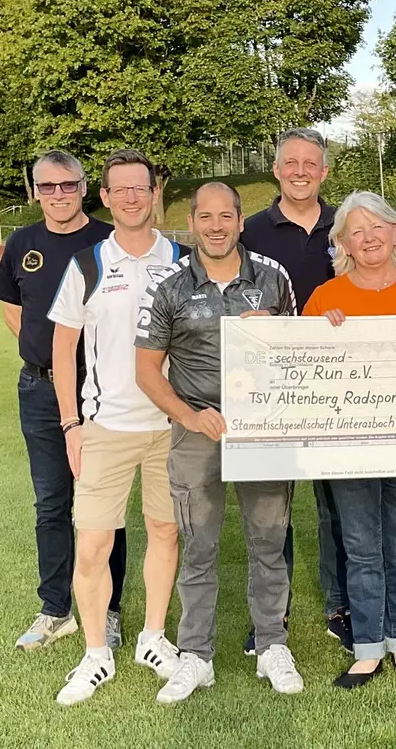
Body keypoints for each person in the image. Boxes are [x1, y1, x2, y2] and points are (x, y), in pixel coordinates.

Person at [134, 182, 304, 703]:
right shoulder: (169, 286)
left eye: (225, 216)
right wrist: (191, 415)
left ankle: (272, 644)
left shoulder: (271, 277)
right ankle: (195, 656)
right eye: (204, 217)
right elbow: (146, 371)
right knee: (199, 548)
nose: (215, 226)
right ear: (192, 221)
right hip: (195, 434)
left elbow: (303, 353)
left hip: (262, 431)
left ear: (239, 220)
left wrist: (278, 326)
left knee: (269, 543)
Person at [47, 150, 183, 705]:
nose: (131, 197)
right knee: (93, 544)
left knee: (165, 532)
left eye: (141, 188)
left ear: (155, 194)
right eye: (120, 189)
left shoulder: (182, 259)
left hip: (171, 427)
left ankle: (153, 636)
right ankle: (96, 653)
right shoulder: (87, 263)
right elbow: (63, 348)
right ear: (105, 197)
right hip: (105, 426)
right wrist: (70, 424)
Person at [301, 192, 396, 689]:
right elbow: (303, 377)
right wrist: (320, 335)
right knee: (361, 549)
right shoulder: (324, 300)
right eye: (357, 231)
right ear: (341, 242)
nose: (369, 238)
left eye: (378, 227)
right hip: (349, 448)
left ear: (394, 233)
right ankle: (366, 648)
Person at [0, 150, 127, 651]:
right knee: (51, 503)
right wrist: (46, 360)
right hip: (40, 389)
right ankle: (55, 609)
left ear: (85, 187)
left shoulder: (107, 241)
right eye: (47, 187)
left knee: (104, 506)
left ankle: (108, 610)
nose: (58, 195)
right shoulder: (21, 242)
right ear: (34, 191)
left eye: (67, 185)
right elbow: (13, 307)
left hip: (103, 391)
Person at [240, 127, 351, 655]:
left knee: (337, 505)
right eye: (292, 162)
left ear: (324, 172)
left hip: (339, 389)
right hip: (271, 389)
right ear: (277, 169)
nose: (302, 171)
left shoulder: (348, 225)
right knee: (271, 506)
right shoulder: (251, 230)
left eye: (312, 163)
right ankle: (269, 615)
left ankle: (342, 606)